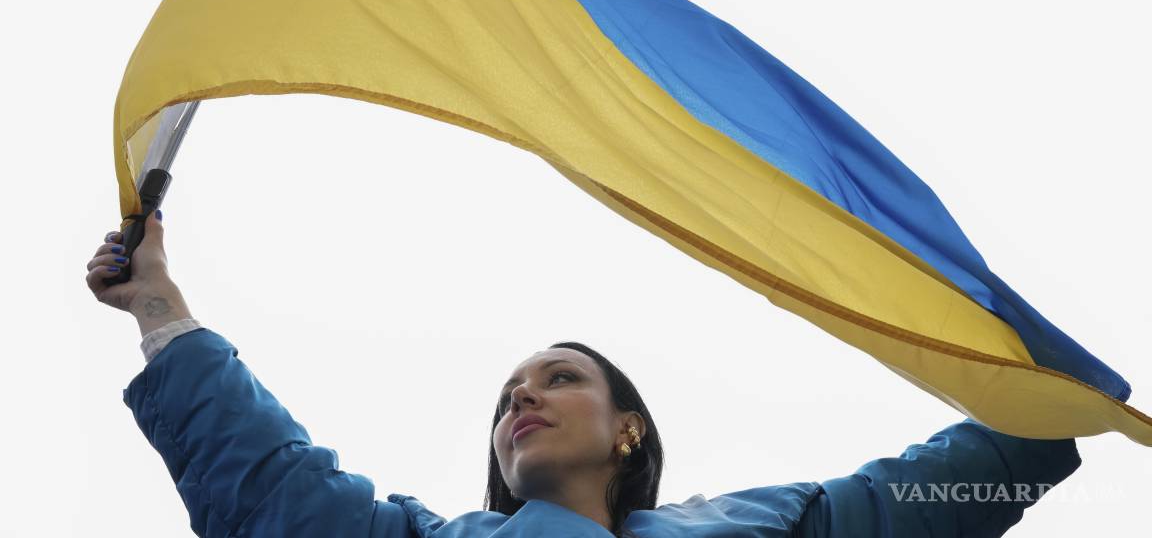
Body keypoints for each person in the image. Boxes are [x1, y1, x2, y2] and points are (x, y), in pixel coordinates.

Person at [87, 211, 1082, 537]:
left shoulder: (772, 527)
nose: (521, 397)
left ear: (627, 429)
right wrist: (160, 311)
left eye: (558, 378)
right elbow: (270, 487)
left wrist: (1046, 400)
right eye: (506, 398)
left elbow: (924, 497)